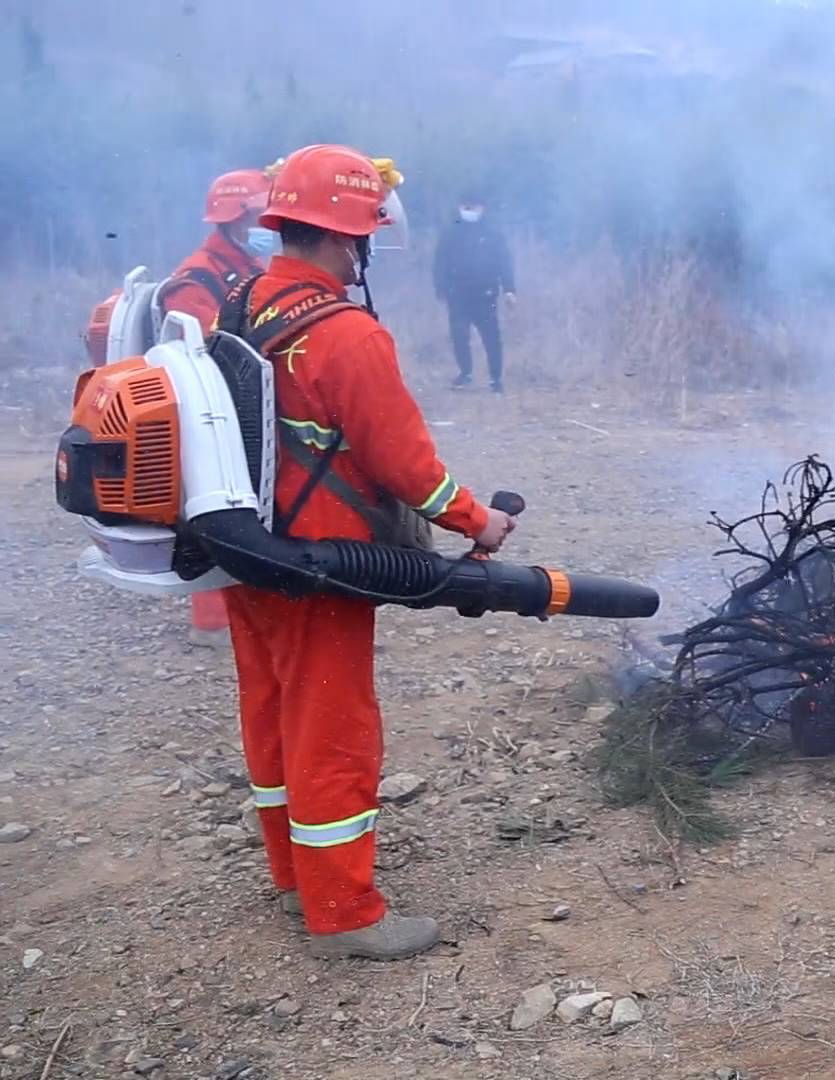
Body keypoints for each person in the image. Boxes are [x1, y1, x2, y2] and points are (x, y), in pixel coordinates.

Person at [225, 144, 514, 960]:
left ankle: (294, 875)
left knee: (275, 712)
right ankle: (343, 914)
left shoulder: (243, 300)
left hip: (248, 551)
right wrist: (475, 522)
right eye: (365, 235)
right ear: (345, 236)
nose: (366, 253)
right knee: (333, 729)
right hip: (324, 563)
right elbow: (402, 461)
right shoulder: (346, 335)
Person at [157, 168, 276, 648]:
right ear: (233, 219)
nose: (267, 224)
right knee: (218, 508)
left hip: (246, 407)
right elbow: (211, 353)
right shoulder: (198, 277)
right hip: (216, 414)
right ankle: (212, 622)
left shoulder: (247, 266)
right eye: (257, 215)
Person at [432, 195, 515, 392]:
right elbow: (440, 262)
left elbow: (504, 262)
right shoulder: (451, 233)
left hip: (485, 295)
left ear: (482, 208)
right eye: (466, 206)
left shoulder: (493, 234)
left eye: (473, 206)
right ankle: (465, 373)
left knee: (491, 337)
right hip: (457, 294)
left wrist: (509, 289)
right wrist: (441, 287)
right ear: (460, 207)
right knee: (459, 335)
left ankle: (496, 378)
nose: (469, 210)